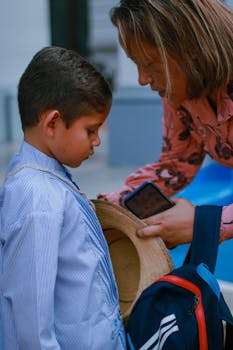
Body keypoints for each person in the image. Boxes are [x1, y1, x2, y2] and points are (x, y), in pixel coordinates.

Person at [0, 46, 126, 350]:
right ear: (53, 123)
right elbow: (32, 325)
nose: (97, 141)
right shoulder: (38, 199)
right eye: (91, 130)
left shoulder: (48, 180)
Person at [100, 0, 233, 248]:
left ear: (191, 47)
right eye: (136, 64)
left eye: (150, 65)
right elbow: (176, 166)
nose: (142, 79)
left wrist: (206, 224)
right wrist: (106, 207)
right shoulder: (180, 92)